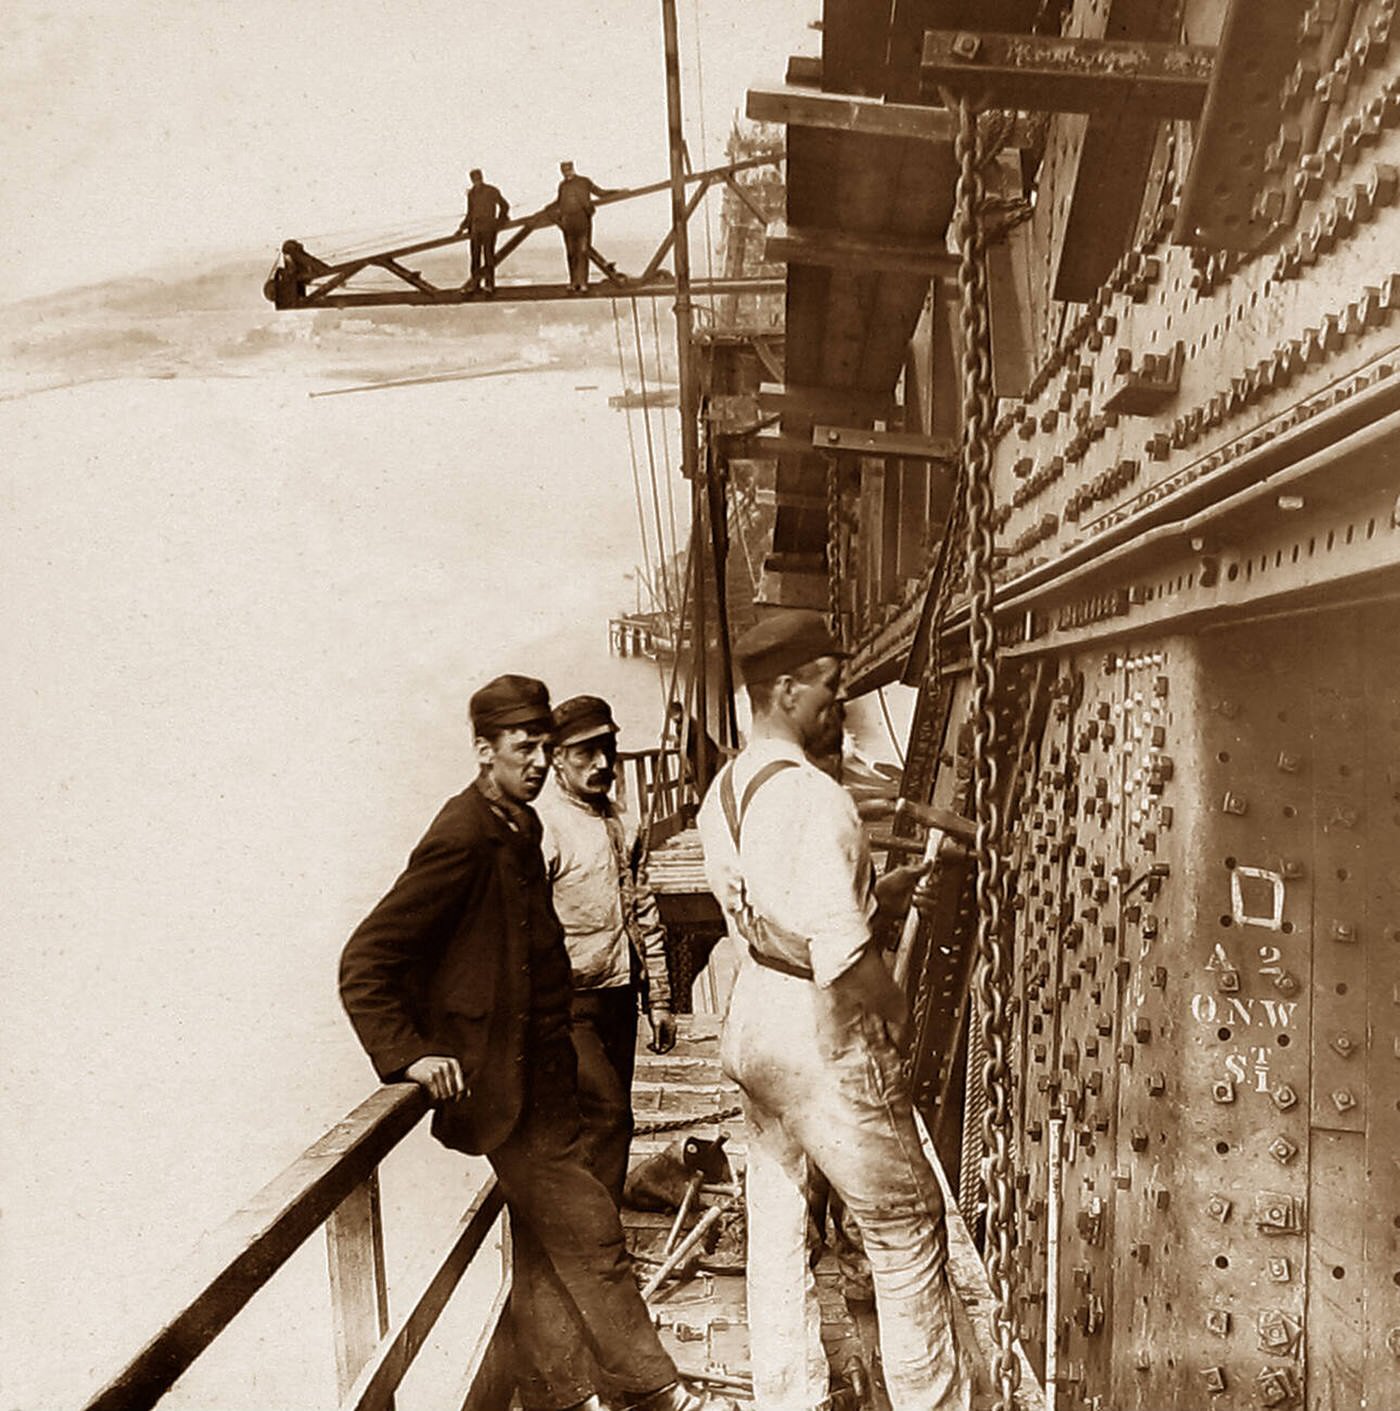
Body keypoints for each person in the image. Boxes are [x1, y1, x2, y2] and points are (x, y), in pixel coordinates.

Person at [339, 674, 732, 1411]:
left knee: (554, 1240)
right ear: (484, 750)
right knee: (591, 1228)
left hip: (548, 1079)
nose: (540, 764)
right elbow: (367, 961)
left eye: (545, 749)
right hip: (501, 1088)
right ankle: (654, 1393)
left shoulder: (518, 824)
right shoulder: (463, 834)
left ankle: (558, 1392)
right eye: (526, 748)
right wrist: (411, 1053)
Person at [696, 612, 970, 1411]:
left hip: (754, 1016)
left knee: (778, 1206)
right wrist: (890, 1017)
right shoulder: (820, 797)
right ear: (785, 689)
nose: (841, 702)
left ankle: (789, 1394)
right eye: (831, 685)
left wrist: (870, 895)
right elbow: (847, 960)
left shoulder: (726, 789)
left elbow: (776, 905)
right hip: (815, 1027)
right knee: (905, 1223)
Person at [536, 694, 676, 1206]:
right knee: (607, 1114)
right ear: (556, 758)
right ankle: (586, 1244)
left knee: (616, 1119)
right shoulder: (544, 829)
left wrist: (659, 1001)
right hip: (567, 1007)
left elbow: (644, 911)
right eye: (584, 754)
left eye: (608, 751)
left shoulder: (624, 822)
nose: (601, 765)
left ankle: (603, 1233)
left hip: (620, 998)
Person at [554, 160, 614, 292]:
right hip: (568, 223)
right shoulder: (562, 185)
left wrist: (616, 192)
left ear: (573, 169)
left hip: (582, 221)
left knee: (582, 252)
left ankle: (583, 283)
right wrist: (546, 210)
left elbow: (600, 192)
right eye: (564, 171)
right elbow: (558, 202)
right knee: (571, 253)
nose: (566, 173)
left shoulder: (584, 182)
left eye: (568, 170)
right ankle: (573, 282)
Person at [458, 168, 510, 294]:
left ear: (481, 177)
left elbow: (504, 205)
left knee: (488, 257)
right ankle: (475, 285)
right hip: (476, 229)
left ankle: (489, 285)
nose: (477, 181)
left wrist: (500, 220)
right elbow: (470, 213)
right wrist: (462, 227)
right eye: (474, 179)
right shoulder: (472, 194)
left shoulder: (491, 191)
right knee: (475, 257)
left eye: (478, 178)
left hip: (488, 228)